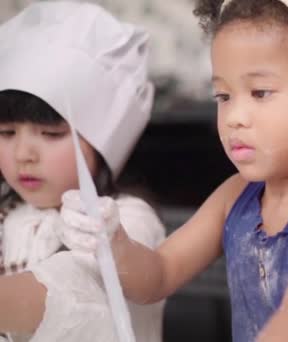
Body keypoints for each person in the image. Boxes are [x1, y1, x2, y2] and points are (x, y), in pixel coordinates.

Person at [60, 0, 288, 340]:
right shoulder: (235, 195)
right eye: (223, 96)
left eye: (260, 92)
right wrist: (112, 241)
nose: (234, 117)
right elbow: (158, 276)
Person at [0, 2, 165, 341]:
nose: (23, 154)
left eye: (50, 134)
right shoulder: (7, 214)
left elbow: (77, 291)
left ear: (103, 143)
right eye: (6, 133)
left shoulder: (127, 222)